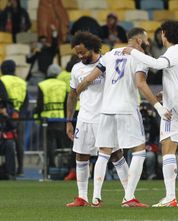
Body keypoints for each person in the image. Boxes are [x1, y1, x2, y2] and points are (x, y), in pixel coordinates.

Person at [76, 27, 170, 207]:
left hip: (106, 109)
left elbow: (89, 79)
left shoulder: (110, 54)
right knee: (139, 151)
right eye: (147, 40)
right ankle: (129, 197)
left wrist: (77, 91)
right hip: (127, 109)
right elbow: (140, 84)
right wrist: (157, 106)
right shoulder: (140, 55)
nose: (149, 43)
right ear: (140, 41)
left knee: (104, 153)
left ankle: (95, 197)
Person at [124, 20, 178, 207]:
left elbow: (157, 64)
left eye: (162, 32)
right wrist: (165, 93)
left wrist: (133, 51)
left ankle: (170, 197)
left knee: (167, 149)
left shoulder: (174, 51)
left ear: (165, 34)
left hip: (173, 108)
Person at [65, 32, 130, 207]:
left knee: (116, 155)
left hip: (106, 117)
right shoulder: (76, 69)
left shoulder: (108, 63)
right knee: (81, 155)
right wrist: (69, 121)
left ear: (92, 48)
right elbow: (72, 96)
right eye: (77, 53)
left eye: (82, 52)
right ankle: (82, 197)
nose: (80, 56)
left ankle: (129, 196)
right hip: (85, 118)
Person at [34, 64, 69, 169]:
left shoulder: (42, 84)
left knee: (48, 143)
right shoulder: (63, 85)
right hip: (60, 118)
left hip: (47, 119)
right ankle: (63, 165)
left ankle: (51, 164)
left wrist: (36, 115)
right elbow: (66, 103)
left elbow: (39, 103)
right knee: (62, 143)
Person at [0, 59, 28, 176]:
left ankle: (8, 169)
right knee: (19, 143)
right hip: (18, 116)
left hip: (5, 116)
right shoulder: (22, 82)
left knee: (7, 141)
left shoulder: (2, 80)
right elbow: (26, 102)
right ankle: (20, 169)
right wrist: (19, 114)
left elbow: (3, 98)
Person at [0, 99, 16, 180]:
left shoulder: (9, 114)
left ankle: (10, 173)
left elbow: (14, 126)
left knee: (9, 144)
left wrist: (6, 115)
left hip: (3, 141)